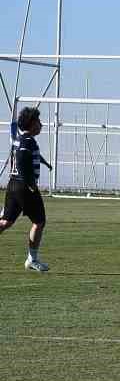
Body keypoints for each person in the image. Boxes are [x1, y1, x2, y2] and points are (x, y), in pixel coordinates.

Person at [0, 106, 52, 271]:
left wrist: (44, 163)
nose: (41, 125)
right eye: (38, 122)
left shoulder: (19, 139)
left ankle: (32, 259)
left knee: (6, 222)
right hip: (25, 187)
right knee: (39, 222)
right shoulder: (27, 141)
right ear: (31, 124)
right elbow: (22, 158)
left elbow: (27, 154)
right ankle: (32, 259)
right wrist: (30, 183)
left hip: (13, 184)